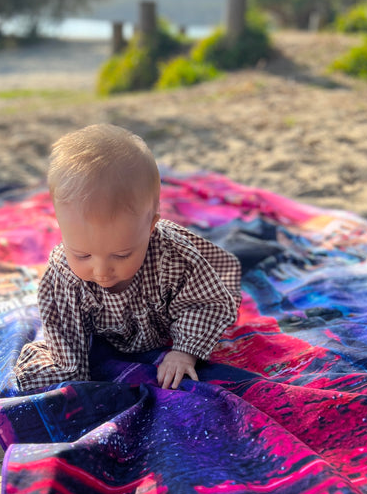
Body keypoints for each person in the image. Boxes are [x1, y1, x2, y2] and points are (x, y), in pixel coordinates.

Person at [14, 124, 241, 391]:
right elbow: (63, 330)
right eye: (83, 254)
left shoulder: (174, 256)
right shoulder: (63, 275)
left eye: (121, 254)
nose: (101, 271)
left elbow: (206, 304)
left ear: (150, 225)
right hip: (114, 330)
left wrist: (184, 351)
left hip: (169, 317)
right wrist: (68, 372)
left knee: (223, 286)